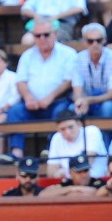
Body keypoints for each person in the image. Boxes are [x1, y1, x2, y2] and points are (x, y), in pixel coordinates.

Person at [6, 16, 77, 160]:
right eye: (38, 35)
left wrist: (50, 97)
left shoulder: (68, 54)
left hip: (57, 101)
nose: (42, 38)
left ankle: (51, 150)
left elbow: (68, 81)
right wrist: (28, 97)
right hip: (32, 104)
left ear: (55, 34)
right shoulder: (27, 55)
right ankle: (16, 152)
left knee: (61, 112)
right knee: (14, 112)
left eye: (46, 34)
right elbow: (20, 81)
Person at [72, 23, 112, 120]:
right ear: (84, 42)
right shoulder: (78, 59)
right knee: (73, 108)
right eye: (90, 41)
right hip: (87, 98)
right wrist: (81, 101)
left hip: (110, 99)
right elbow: (77, 91)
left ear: (104, 40)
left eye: (98, 40)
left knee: (107, 107)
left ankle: (108, 131)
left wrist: (87, 100)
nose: (95, 44)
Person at [46, 111, 108, 178]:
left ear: (79, 124)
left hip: (96, 180)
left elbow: (85, 164)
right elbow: (51, 171)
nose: (67, 132)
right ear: (58, 129)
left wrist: (65, 172)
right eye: (63, 129)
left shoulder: (92, 131)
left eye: (70, 127)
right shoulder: (57, 137)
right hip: (69, 182)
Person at [38, 154, 108, 196]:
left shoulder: (98, 182)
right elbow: (43, 194)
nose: (83, 175)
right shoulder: (67, 183)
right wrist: (71, 188)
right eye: (79, 172)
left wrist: (66, 193)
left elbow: (97, 192)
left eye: (86, 171)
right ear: (70, 173)